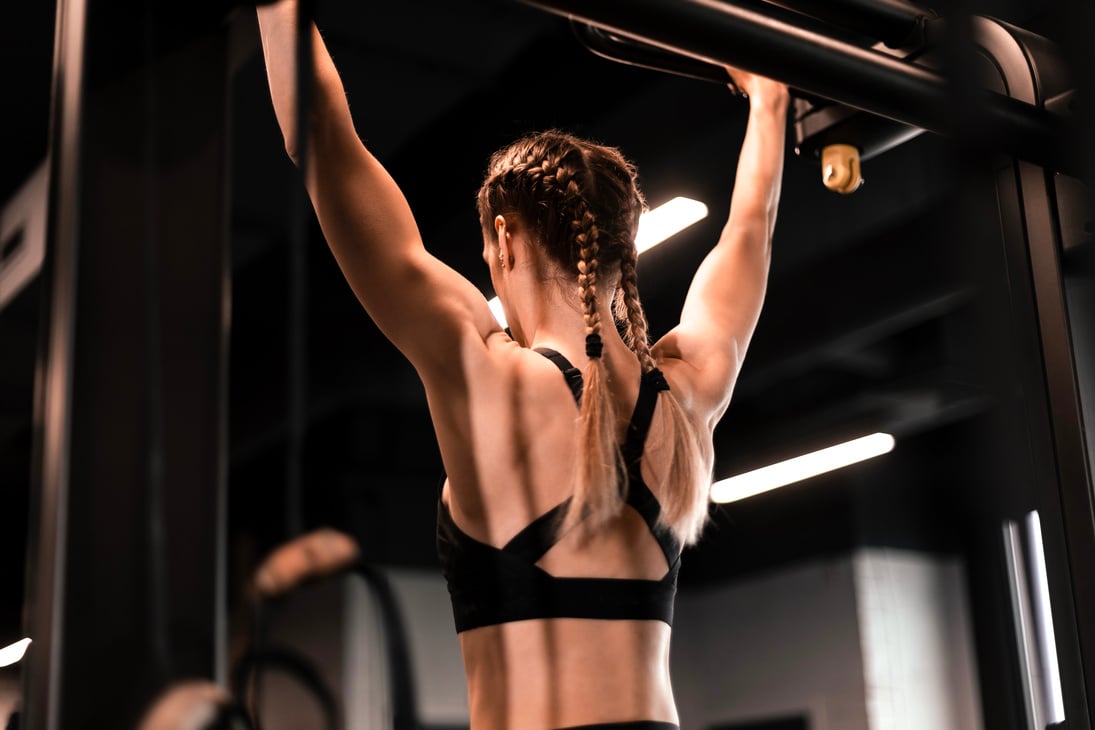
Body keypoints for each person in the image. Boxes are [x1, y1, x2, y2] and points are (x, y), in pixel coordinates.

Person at [255, 3, 789, 728]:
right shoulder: (686, 391)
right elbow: (749, 228)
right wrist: (769, 97)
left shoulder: (484, 373)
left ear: (502, 238)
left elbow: (321, 137)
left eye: (485, 253)